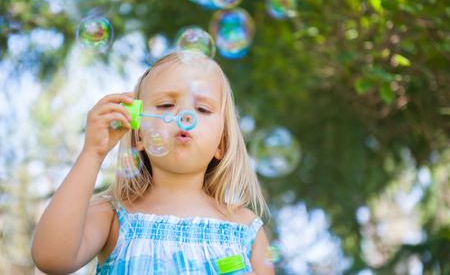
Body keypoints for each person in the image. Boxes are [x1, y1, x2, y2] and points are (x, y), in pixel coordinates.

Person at [31, 51, 274, 275]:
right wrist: (93, 153)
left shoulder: (245, 228)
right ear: (139, 135)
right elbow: (51, 258)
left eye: (202, 108)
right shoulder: (114, 215)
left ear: (221, 144)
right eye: (166, 105)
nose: (185, 116)